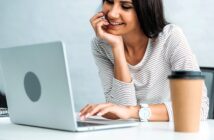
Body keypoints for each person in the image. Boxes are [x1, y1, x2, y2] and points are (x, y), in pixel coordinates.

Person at [80, 0, 209, 121]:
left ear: (145, 10)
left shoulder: (169, 37)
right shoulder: (102, 45)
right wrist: (117, 48)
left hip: (170, 132)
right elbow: (121, 114)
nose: (112, 14)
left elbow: (198, 108)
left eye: (126, 6)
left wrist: (134, 112)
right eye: (109, 1)